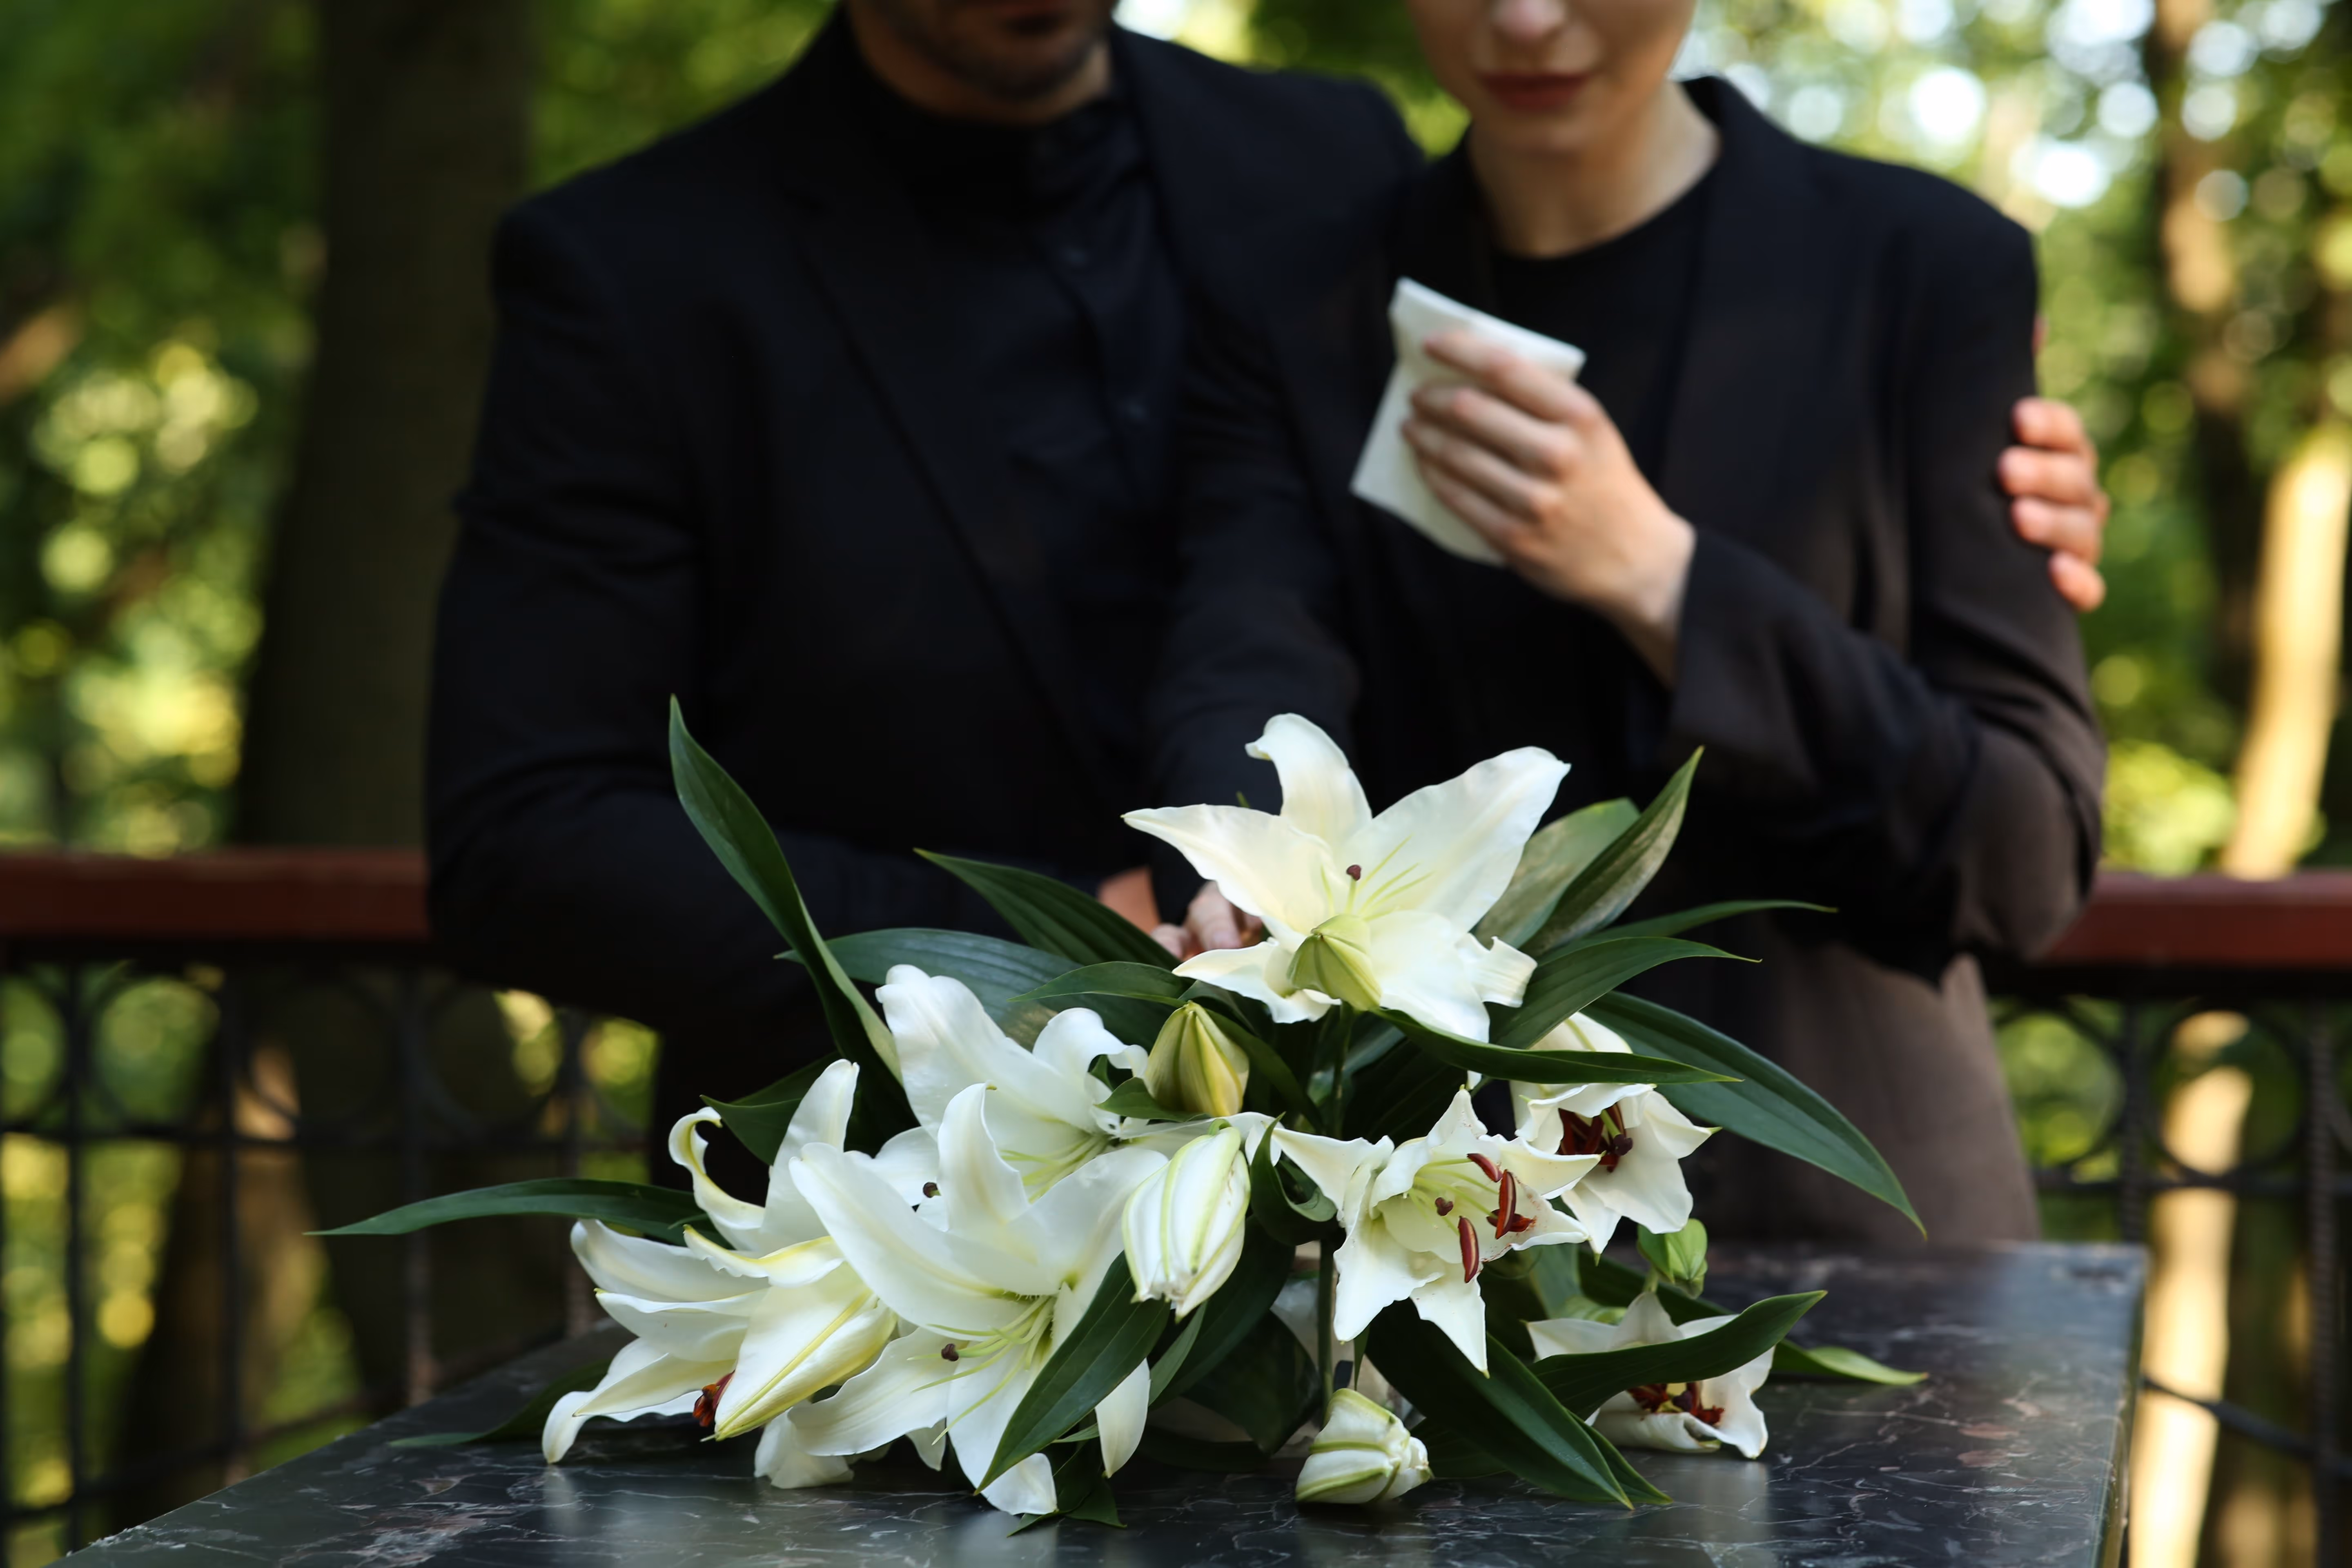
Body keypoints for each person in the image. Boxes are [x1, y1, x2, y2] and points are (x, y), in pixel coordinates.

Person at [425, 0, 2109, 1172]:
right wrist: (1045, 950)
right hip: (916, 1189)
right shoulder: (634, 270)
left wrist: (1913, 505)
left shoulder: (1321, 163)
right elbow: (527, 834)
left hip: (1432, 1202)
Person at [1142, 0, 2105, 1246]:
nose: (1528, 19)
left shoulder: (1922, 266)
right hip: (1443, 1248)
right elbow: (1245, 665)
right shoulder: (1297, 307)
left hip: (1859, 1225)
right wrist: (1243, 879)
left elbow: (2024, 856)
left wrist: (1659, 576)